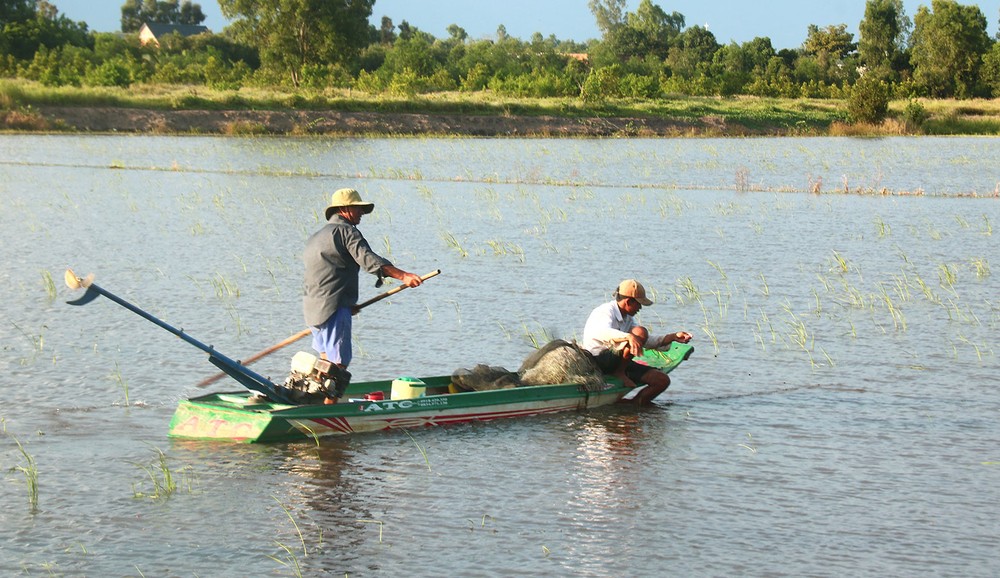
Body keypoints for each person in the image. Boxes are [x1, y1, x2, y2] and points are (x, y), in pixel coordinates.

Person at [303, 188, 424, 403]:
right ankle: (328, 411)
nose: (361, 213)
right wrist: (404, 276)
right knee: (338, 366)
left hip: (312, 309)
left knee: (324, 361)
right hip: (333, 307)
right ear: (344, 209)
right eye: (358, 209)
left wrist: (349, 305)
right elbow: (369, 260)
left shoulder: (317, 236)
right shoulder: (346, 231)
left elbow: (324, 275)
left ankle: (319, 404)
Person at [582, 279, 693, 406]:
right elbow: (602, 332)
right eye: (638, 304)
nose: (640, 308)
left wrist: (671, 337)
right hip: (598, 360)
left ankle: (631, 406)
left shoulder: (628, 317)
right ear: (628, 301)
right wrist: (628, 337)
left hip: (617, 362)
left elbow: (644, 341)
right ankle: (620, 373)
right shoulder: (605, 311)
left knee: (662, 381)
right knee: (639, 332)